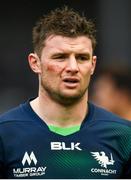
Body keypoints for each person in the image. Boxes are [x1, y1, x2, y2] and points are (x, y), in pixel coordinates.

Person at [0, 6, 131, 179]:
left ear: (92, 65)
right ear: (35, 63)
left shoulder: (123, 135)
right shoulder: (5, 133)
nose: (73, 67)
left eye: (82, 58)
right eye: (60, 57)